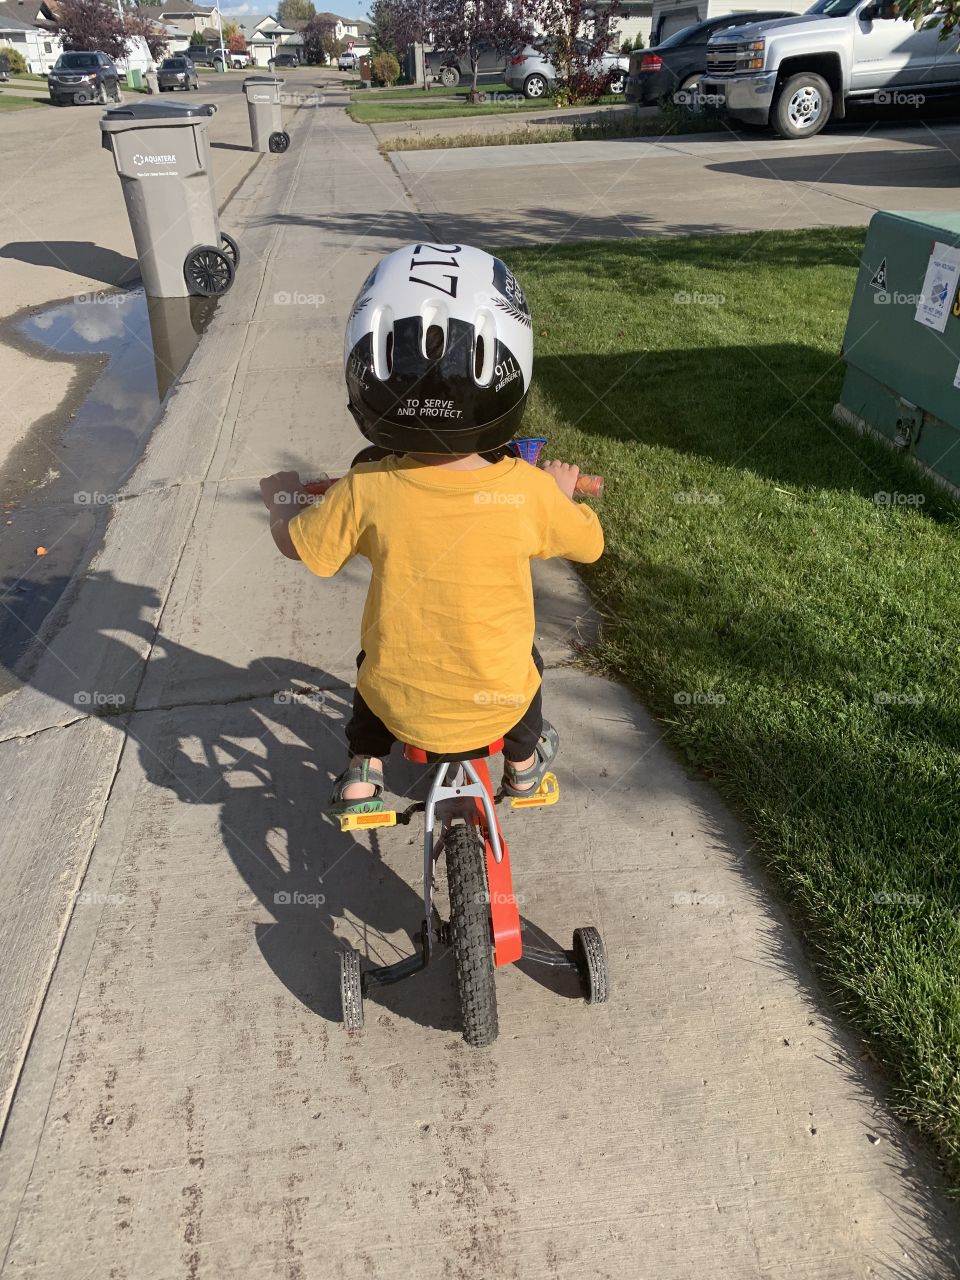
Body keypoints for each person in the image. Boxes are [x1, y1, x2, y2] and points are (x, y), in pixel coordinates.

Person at [260, 243, 603, 816]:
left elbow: (298, 547)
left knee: (372, 667)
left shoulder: (364, 489)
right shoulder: (527, 490)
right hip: (497, 703)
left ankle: (363, 775)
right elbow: (589, 545)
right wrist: (560, 493)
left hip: (399, 707)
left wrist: (278, 503)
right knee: (526, 666)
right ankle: (522, 772)